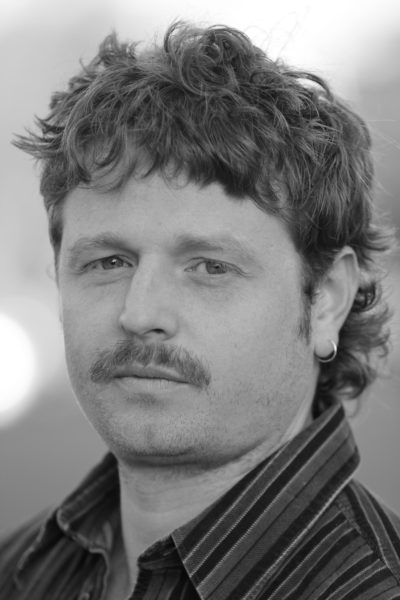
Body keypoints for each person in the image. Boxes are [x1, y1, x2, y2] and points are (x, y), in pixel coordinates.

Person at [1, 21, 399, 600]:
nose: (140, 313)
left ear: (327, 299)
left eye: (210, 267)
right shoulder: (18, 572)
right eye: (109, 262)